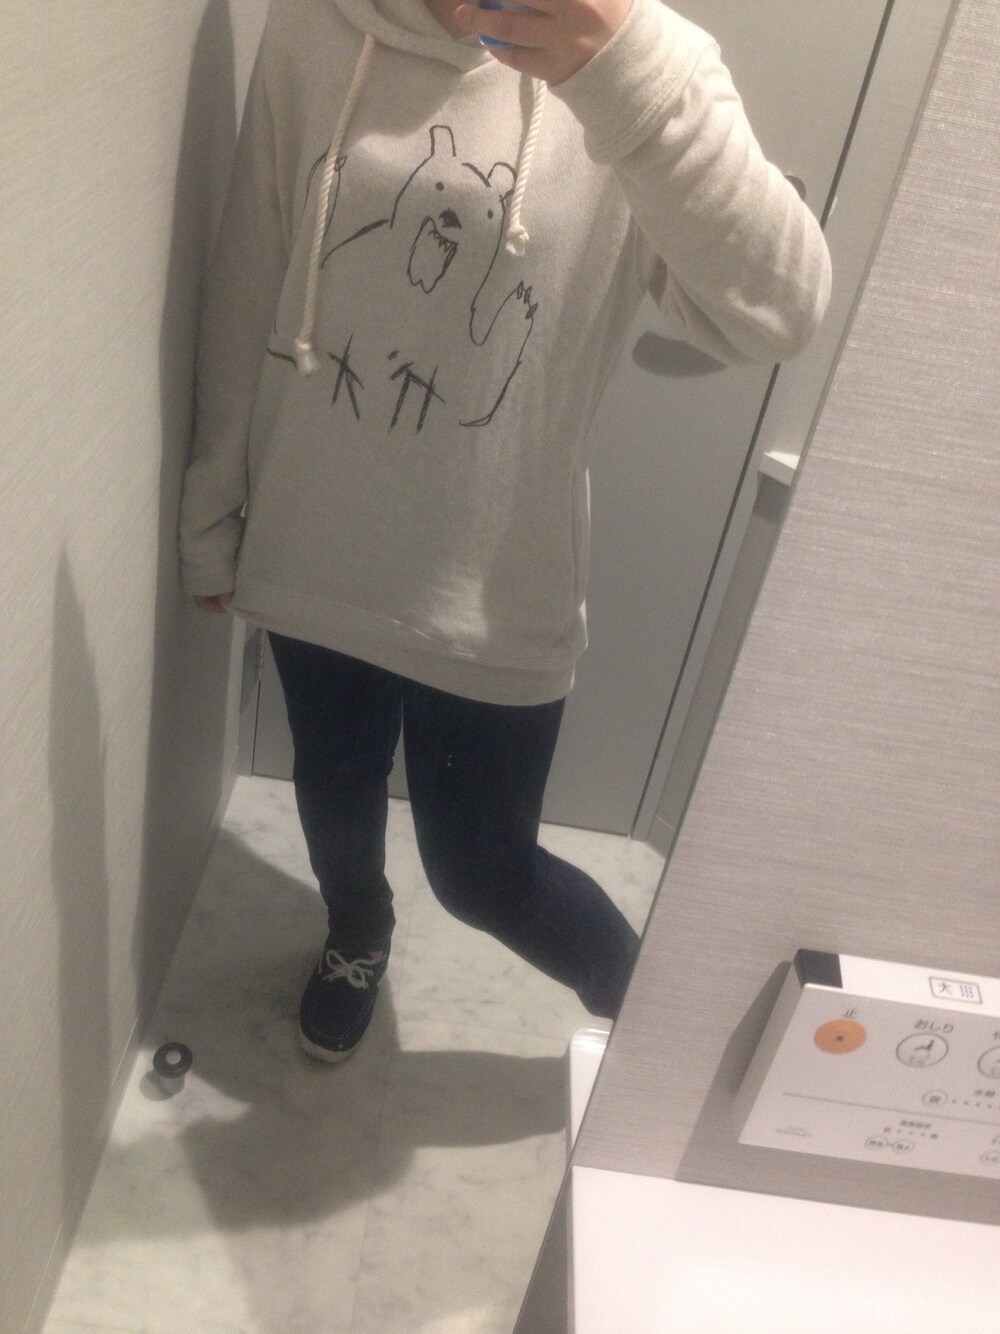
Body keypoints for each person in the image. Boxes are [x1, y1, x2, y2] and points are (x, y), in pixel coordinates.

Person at [179, 0, 831, 1062]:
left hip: (492, 586)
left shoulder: (635, 58)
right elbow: (250, 268)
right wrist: (213, 509)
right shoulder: (315, 30)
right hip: (313, 545)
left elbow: (776, 313)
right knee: (333, 782)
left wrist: (626, 67)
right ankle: (357, 930)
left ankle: (650, 1031)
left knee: (485, 873)